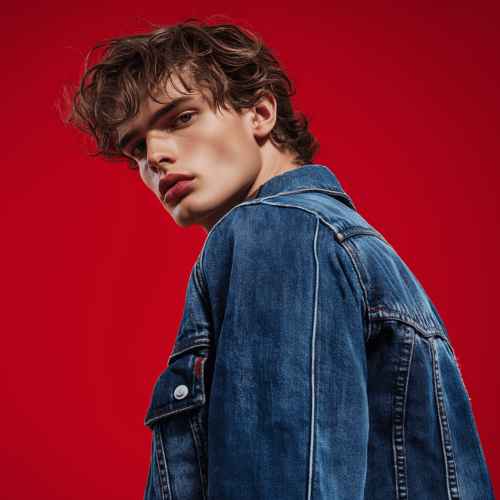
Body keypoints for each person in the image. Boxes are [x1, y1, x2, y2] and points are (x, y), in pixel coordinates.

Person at [66, 18, 494, 500]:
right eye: (138, 147)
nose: (156, 157)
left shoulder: (274, 232)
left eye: (180, 118)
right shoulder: (348, 246)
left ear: (260, 112)